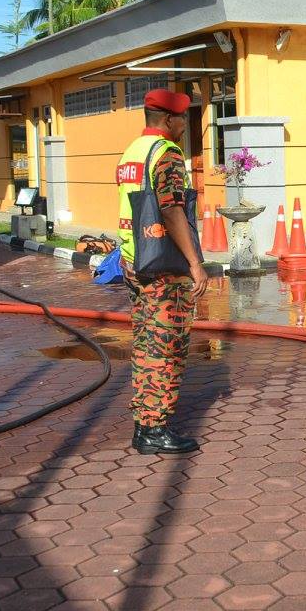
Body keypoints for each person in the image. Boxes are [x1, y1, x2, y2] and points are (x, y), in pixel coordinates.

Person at [116, 88, 208, 455]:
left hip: (135, 262)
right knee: (165, 348)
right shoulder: (167, 155)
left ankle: (145, 423)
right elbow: (171, 210)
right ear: (169, 120)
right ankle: (155, 429)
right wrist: (195, 263)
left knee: (144, 344)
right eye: (183, 118)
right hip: (164, 269)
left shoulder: (132, 152)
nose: (185, 125)